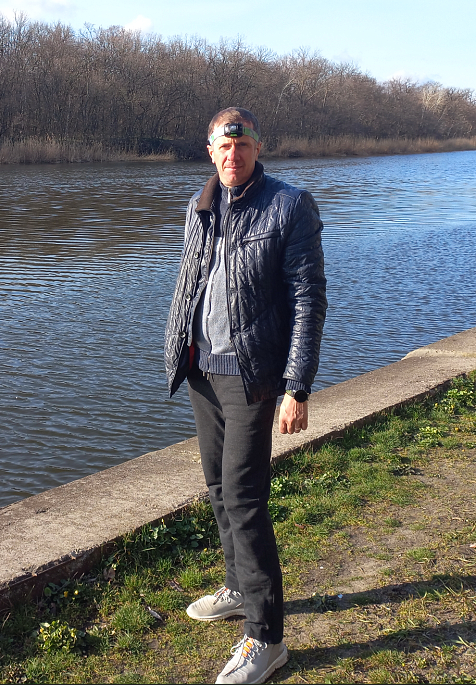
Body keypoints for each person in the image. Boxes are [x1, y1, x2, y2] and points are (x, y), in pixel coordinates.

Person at [164, 107, 327, 685]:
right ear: (210, 151)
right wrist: (177, 349)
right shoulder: (200, 205)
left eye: (242, 144)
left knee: (243, 497)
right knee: (217, 488)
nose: (231, 154)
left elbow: (308, 299)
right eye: (222, 146)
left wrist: (296, 385)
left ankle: (267, 638)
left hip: (252, 375)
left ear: (258, 148)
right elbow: (191, 283)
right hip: (203, 370)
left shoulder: (289, 205)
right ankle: (239, 588)